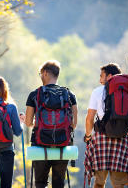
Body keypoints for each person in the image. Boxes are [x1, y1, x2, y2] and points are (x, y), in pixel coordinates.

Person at [22, 60, 78, 188]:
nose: (40, 76)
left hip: (40, 145)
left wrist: (33, 121)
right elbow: (74, 124)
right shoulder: (69, 95)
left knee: (40, 183)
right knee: (59, 184)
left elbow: (29, 123)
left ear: (45, 73)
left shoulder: (34, 95)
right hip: (62, 145)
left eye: (40, 73)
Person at [84, 63, 128, 188]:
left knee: (99, 182)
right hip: (121, 140)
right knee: (119, 184)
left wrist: (88, 136)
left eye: (101, 76)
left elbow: (89, 119)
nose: (99, 80)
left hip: (100, 140)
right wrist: (126, 133)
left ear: (109, 76)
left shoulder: (97, 92)